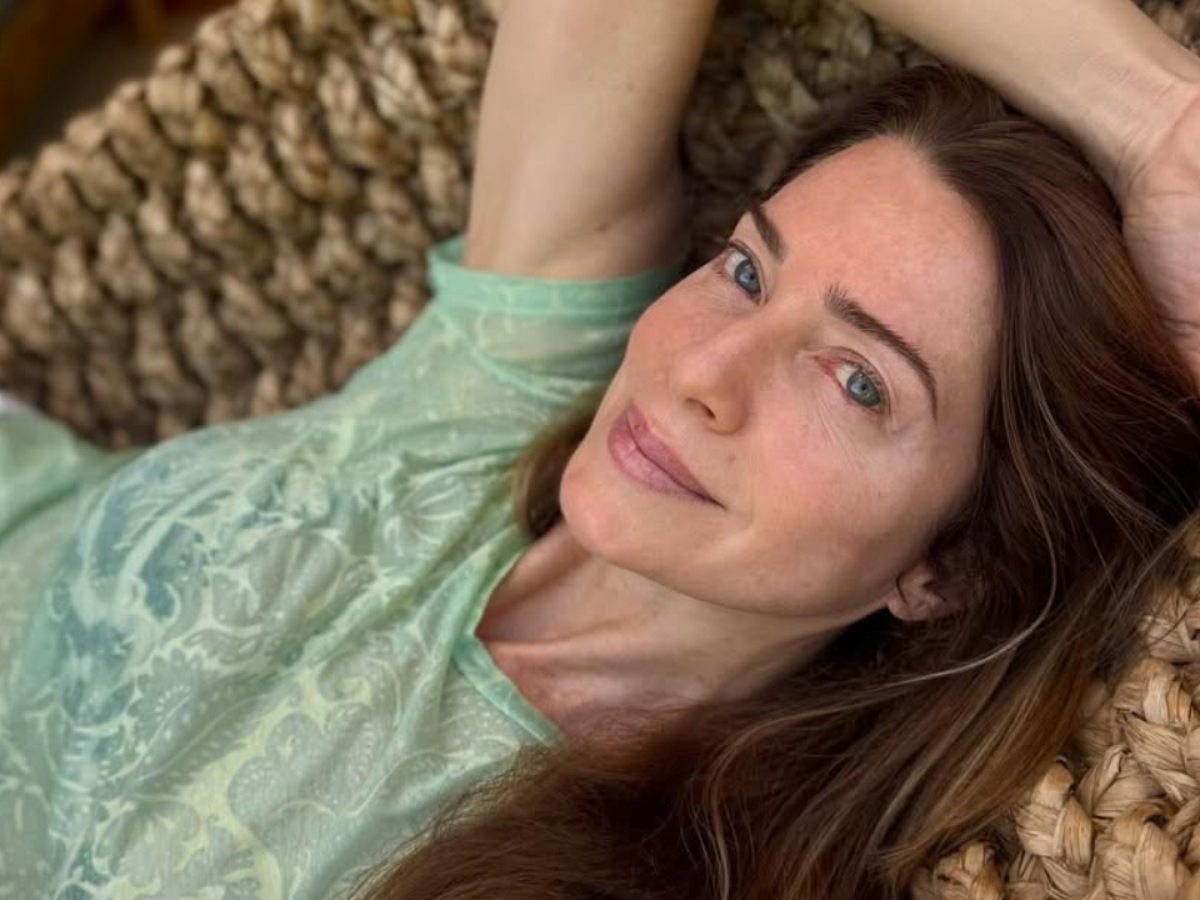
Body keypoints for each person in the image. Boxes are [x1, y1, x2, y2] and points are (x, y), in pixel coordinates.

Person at [0, 4, 1198, 900]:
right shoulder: (509, 380)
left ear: (953, 567)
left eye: (855, 380)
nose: (700, 370)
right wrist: (1158, 120)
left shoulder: (585, 866)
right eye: (747, 270)